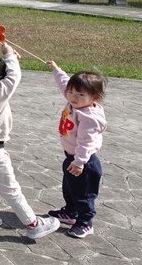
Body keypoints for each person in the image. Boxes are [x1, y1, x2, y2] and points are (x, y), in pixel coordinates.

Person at [0, 43, 60, 240]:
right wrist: (9, 56)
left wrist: (11, 60)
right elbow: (14, 78)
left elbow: (9, 77)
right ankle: (33, 224)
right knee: (12, 189)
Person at [45, 61, 108, 239]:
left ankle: (86, 222)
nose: (73, 97)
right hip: (72, 158)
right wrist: (56, 69)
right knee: (69, 188)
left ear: (94, 97)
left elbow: (86, 143)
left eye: (80, 94)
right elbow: (64, 82)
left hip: (84, 162)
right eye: (71, 92)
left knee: (84, 194)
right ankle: (71, 213)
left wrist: (79, 162)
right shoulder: (74, 100)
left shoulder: (88, 117)